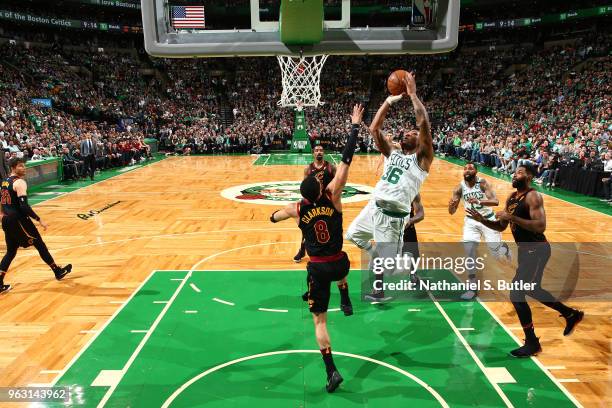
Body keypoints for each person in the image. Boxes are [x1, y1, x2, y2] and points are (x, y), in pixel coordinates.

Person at [269, 104, 364, 393]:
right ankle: (345, 297)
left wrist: (275, 216)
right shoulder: (334, 197)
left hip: (319, 268)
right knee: (342, 260)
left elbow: (274, 217)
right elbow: (346, 160)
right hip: (340, 264)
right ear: (321, 188)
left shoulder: (297, 208)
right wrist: (354, 126)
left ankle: (331, 370)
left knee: (319, 320)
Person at [467, 164, 583, 357]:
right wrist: (482, 220)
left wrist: (511, 216)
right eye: (515, 171)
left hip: (537, 250)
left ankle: (532, 342)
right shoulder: (512, 197)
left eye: (520, 172)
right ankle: (572, 314)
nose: (515, 174)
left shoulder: (533, 196)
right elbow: (501, 226)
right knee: (534, 289)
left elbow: (540, 226)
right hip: (526, 251)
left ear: (529, 176)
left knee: (516, 294)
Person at [346, 71, 433, 301]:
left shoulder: (422, 160)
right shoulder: (393, 152)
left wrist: (413, 95)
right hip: (375, 207)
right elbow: (374, 129)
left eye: (412, 133)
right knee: (352, 235)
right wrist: (388, 101)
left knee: (392, 269)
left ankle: (415, 274)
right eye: (406, 132)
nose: (407, 133)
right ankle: (381, 256)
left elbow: (423, 123)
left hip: (394, 217)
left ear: (420, 141)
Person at [0, 158, 72, 294]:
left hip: (7, 220)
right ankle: (57, 271)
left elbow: (2, 201)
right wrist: (39, 219)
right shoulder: (19, 182)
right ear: (13, 168)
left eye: (24, 166)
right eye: (21, 166)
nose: (24, 168)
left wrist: (1, 215)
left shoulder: (4, 181)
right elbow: (24, 206)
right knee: (40, 244)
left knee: (11, 251)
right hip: (19, 220)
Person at [448, 162, 511, 300]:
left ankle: (504, 248)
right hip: (471, 221)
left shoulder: (482, 183)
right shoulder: (459, 188)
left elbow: (495, 201)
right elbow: (451, 212)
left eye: (470, 168)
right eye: (465, 168)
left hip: (487, 219)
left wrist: (479, 202)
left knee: (496, 254)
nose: (467, 170)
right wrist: (451, 206)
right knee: (469, 252)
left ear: (476, 171)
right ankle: (472, 287)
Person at [294, 145, 336, 263]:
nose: (319, 152)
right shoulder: (308, 169)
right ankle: (302, 249)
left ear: (324, 153)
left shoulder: (331, 167)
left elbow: (338, 180)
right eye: (317, 151)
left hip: (327, 202)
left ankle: (330, 252)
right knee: (307, 227)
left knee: (330, 228)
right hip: (312, 202)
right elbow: (304, 186)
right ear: (313, 153)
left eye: (321, 150)